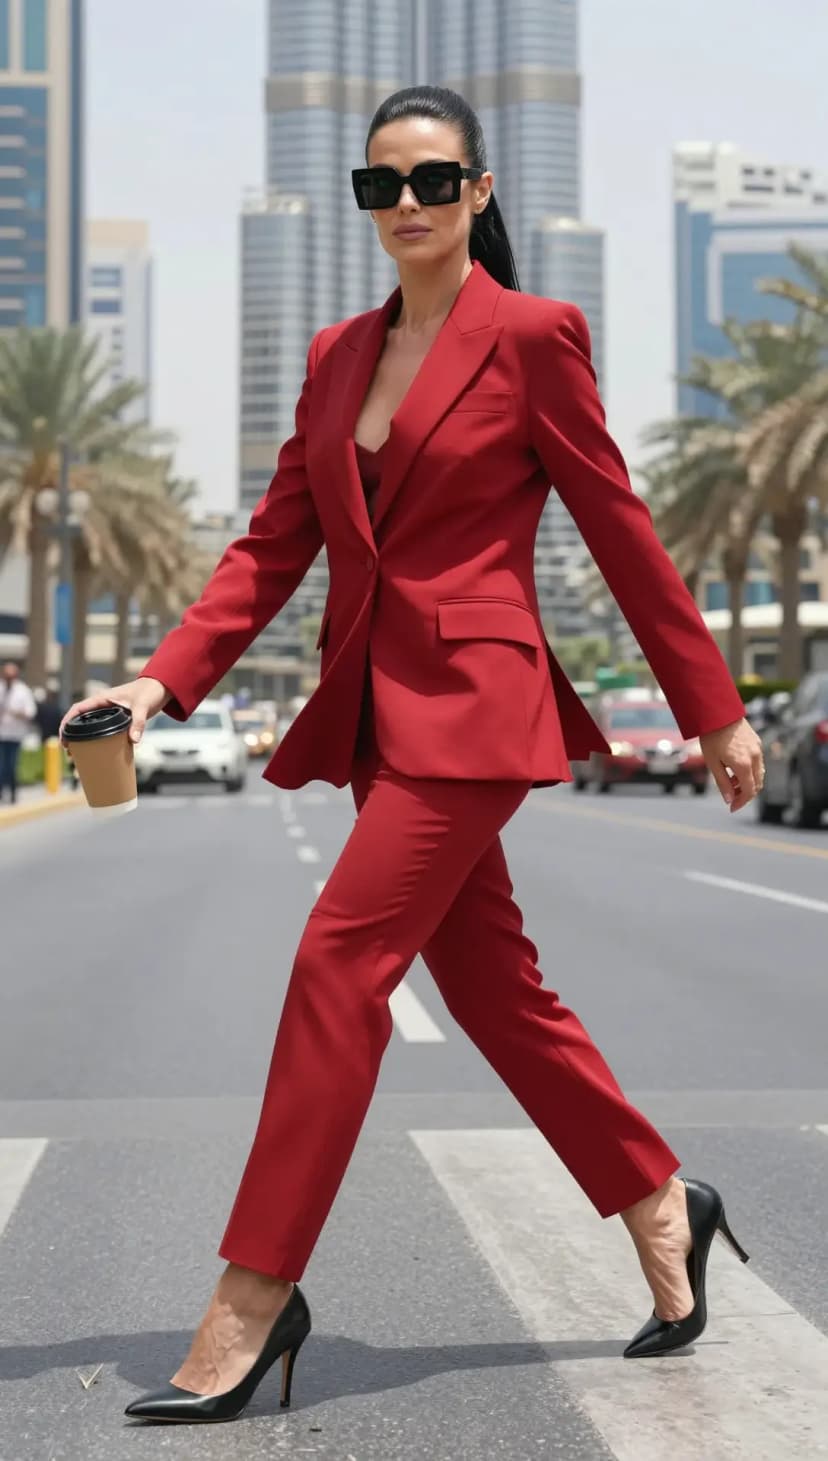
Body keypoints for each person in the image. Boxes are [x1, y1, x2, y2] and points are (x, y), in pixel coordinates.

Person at [62, 86, 763, 1425]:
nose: (407, 208)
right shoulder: (334, 355)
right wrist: (159, 682)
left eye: (433, 182)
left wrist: (712, 702)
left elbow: (617, 525)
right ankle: (664, 1199)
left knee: (339, 963)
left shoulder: (534, 337)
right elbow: (274, 545)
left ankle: (255, 1299)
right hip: (378, 713)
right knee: (497, 991)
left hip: (478, 701)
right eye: (380, 187)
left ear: (480, 191)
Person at [0, 661, 37, 804]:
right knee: (1, 766)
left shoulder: (23, 691)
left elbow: (31, 712)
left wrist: (17, 713)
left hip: (15, 734)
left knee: (11, 765)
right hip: (1, 733)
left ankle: (13, 793)